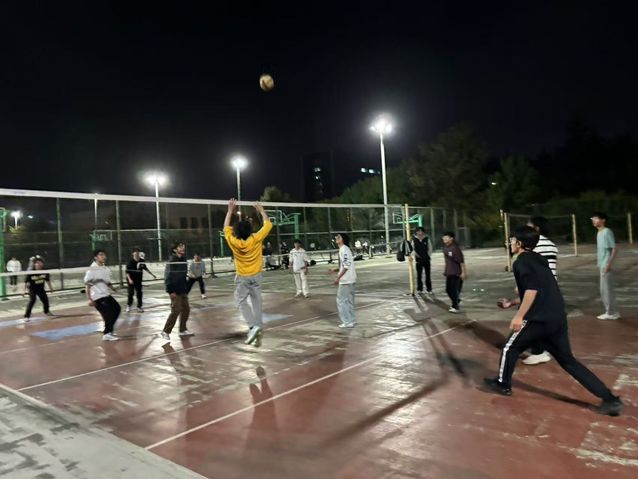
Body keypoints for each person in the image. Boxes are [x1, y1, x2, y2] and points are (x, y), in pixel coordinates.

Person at [484, 226, 623, 416]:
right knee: (568, 361)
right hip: (556, 317)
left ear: (520, 243)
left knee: (510, 348)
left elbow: (532, 290)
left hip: (538, 319)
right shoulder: (539, 259)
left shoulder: (521, 262)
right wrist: (512, 303)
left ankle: (502, 384)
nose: (510, 243)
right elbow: (538, 289)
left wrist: (519, 316)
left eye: (512, 240)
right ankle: (610, 399)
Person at [224, 198, 272, 347]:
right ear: (250, 230)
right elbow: (268, 224)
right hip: (257, 276)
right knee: (257, 302)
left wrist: (230, 211)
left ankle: (252, 326)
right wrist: (261, 210)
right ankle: (258, 328)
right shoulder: (256, 238)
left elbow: (226, 227)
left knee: (240, 300)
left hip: (243, 277)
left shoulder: (234, 242)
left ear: (236, 232)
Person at [84, 249, 121, 341]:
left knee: (117, 309)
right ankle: (107, 334)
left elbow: (107, 282)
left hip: (106, 294)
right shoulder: (92, 269)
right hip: (97, 297)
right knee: (109, 314)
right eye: (101, 255)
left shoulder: (105, 268)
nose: (104, 257)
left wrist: (114, 289)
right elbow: (87, 285)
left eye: (104, 255)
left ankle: (109, 330)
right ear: (96, 257)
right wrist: (89, 299)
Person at [161, 242, 193, 341]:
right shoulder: (172, 261)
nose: (183, 248)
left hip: (182, 289)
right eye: (180, 246)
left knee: (186, 309)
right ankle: (165, 331)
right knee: (176, 310)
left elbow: (183, 274)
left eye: (183, 246)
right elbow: (167, 276)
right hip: (174, 290)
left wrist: (189, 276)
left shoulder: (184, 260)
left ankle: (182, 329)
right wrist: (170, 291)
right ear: (175, 250)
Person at [592, 212, 620, 320]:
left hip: (606, 264)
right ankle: (613, 311)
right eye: (593, 218)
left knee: (606, 290)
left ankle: (611, 313)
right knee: (605, 290)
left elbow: (614, 249)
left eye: (596, 218)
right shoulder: (599, 233)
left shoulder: (607, 232)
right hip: (602, 264)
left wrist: (608, 264)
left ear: (603, 220)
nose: (594, 220)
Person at [331, 233, 357, 328]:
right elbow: (346, 264)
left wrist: (338, 278)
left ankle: (347, 321)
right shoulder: (346, 249)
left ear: (342, 239)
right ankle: (351, 320)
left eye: (338, 237)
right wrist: (336, 269)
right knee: (349, 301)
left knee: (341, 301)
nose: (336, 238)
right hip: (351, 279)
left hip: (346, 280)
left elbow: (346, 266)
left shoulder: (343, 249)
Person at [21, 257, 54, 322]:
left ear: (42, 264)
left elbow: (47, 280)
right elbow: (25, 282)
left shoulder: (45, 271)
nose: (39, 264)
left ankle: (46, 311)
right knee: (32, 300)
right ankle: (26, 316)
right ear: (34, 264)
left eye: (40, 263)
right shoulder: (30, 272)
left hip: (41, 288)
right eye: (37, 263)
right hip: (32, 289)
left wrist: (51, 288)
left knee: (45, 300)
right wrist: (23, 291)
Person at [441, 232, 466, 313]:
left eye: (446, 237)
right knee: (448, 290)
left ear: (451, 238)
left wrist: (463, 272)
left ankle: (455, 306)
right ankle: (456, 301)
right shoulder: (445, 247)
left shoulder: (455, 248)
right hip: (449, 272)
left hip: (456, 272)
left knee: (454, 290)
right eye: (443, 237)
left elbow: (461, 261)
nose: (444, 239)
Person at [126, 247, 156, 313]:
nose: (137, 253)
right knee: (131, 293)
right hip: (131, 280)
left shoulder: (142, 261)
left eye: (138, 252)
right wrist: (130, 280)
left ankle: (139, 307)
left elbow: (145, 268)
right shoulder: (130, 262)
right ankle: (129, 305)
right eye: (135, 252)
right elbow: (127, 272)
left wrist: (152, 274)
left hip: (138, 280)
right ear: (133, 253)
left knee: (139, 293)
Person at [412, 227, 433, 294]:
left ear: (423, 232)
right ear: (416, 232)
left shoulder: (427, 239)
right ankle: (419, 289)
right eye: (418, 231)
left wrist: (428, 255)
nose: (420, 232)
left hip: (426, 260)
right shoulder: (414, 240)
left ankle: (429, 289)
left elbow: (430, 248)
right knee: (419, 275)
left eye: (421, 231)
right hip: (418, 260)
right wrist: (416, 255)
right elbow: (412, 249)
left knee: (428, 275)